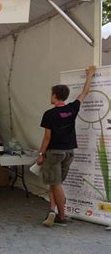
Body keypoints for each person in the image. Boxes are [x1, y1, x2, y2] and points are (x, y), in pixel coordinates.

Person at [39, 66, 95, 227]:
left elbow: (47, 137)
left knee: (55, 183)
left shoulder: (49, 114)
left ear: (55, 96)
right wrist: (90, 75)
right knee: (55, 182)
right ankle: (52, 211)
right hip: (69, 152)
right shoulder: (72, 108)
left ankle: (61, 215)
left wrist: (41, 153)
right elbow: (84, 93)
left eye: (51, 94)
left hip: (54, 152)